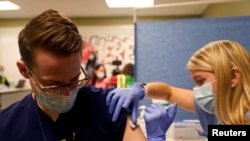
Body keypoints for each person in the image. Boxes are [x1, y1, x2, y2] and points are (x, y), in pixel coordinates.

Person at [0, 9, 149, 141]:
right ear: (25, 70)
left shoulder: (108, 107)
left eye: (74, 80)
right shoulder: (6, 126)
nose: (66, 93)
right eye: (54, 84)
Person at [106, 39, 250, 137]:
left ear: (233, 77)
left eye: (201, 81)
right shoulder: (219, 107)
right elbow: (169, 92)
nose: (197, 90)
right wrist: (142, 89)